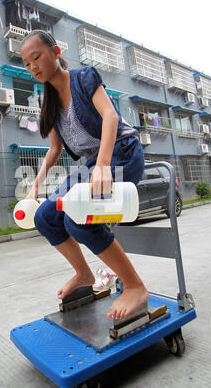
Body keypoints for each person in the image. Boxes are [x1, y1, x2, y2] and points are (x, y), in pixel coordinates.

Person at [20, 29, 149, 319]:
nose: (33, 67)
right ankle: (84, 275)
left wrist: (103, 165)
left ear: (55, 53)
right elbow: (54, 150)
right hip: (95, 166)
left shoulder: (84, 77)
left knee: (78, 218)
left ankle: (135, 286)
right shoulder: (49, 103)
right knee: (45, 217)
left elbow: (111, 116)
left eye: (37, 57)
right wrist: (34, 189)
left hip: (122, 153)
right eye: (27, 64)